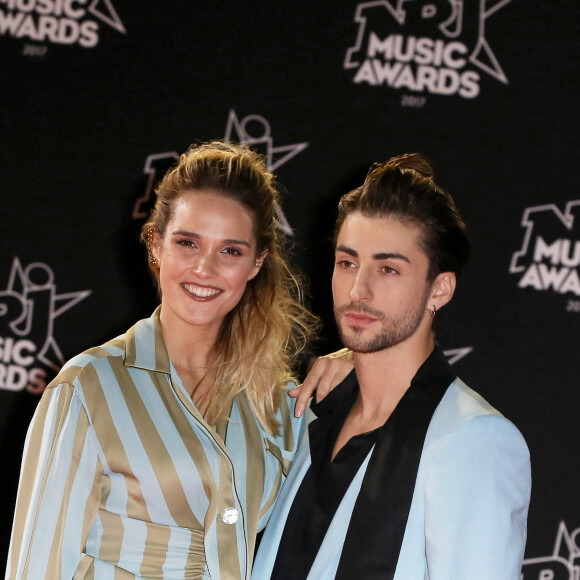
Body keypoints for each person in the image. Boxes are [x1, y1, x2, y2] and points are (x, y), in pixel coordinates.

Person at [5, 141, 353, 580]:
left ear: (256, 263)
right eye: (187, 243)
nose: (205, 268)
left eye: (230, 250)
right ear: (155, 244)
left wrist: (358, 362)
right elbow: (36, 565)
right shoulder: (88, 387)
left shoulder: (276, 404)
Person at [252, 153, 532, 580]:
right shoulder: (313, 413)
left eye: (388, 269)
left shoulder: (473, 439)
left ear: (439, 289)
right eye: (348, 263)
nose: (358, 289)